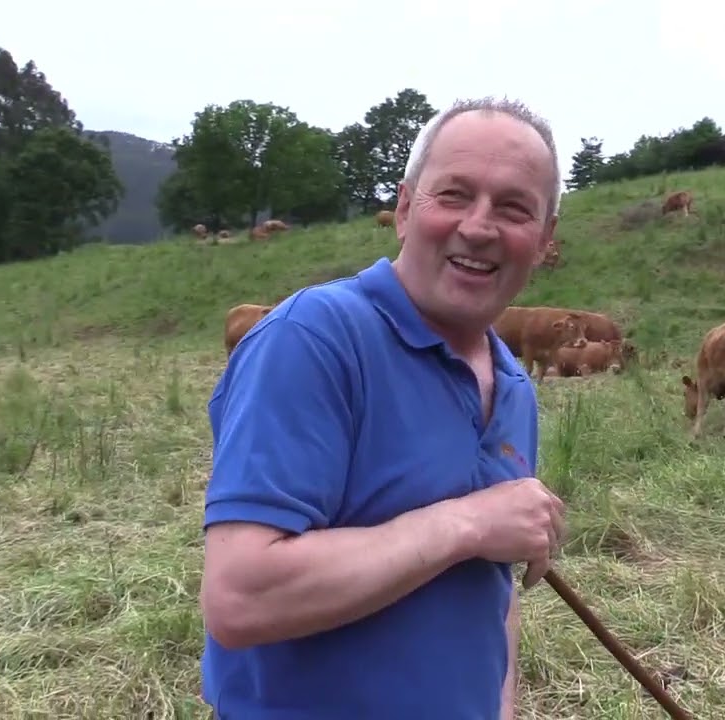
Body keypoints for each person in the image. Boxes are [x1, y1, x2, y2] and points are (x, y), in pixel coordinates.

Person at [198, 96, 570, 720]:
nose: (479, 228)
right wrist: (467, 524)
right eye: (453, 194)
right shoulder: (313, 338)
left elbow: (492, 597)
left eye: (513, 208)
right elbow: (241, 598)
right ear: (403, 209)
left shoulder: (514, 386)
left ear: (544, 241)